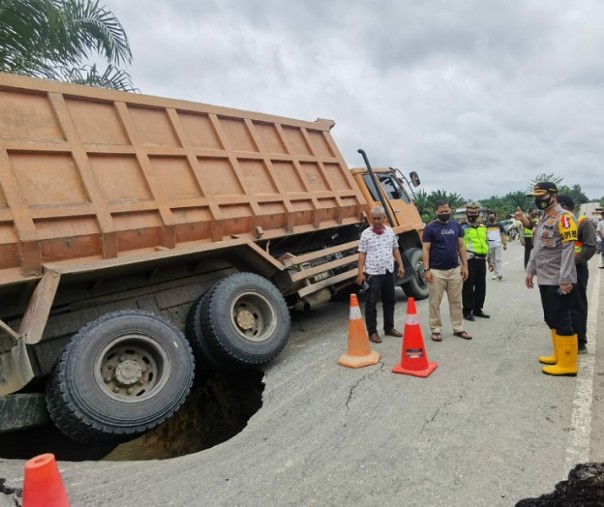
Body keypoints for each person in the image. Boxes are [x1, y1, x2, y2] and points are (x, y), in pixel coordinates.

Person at [524, 182, 577, 376]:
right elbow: (537, 248)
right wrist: (530, 271)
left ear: (553, 196)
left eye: (542, 196)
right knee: (550, 317)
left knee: (562, 318)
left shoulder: (564, 218)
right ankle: (559, 355)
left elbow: (568, 249)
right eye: (536, 197)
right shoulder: (544, 218)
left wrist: (565, 278)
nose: (538, 200)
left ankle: (568, 364)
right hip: (545, 277)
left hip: (558, 278)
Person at [421, 200, 472, 341]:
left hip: (454, 270)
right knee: (434, 302)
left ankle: (458, 328)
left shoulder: (456, 226)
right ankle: (436, 330)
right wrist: (426, 270)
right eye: (441, 211)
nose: (444, 213)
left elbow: (461, 247)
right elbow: (425, 249)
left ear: (451, 210)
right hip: (436, 271)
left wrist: (465, 266)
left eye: (446, 210)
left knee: (456, 301)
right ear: (436, 212)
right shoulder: (430, 228)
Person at [356, 206, 404, 344]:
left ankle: (389, 328)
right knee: (371, 304)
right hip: (373, 274)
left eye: (379, 218)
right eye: (374, 218)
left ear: (384, 219)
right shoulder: (366, 234)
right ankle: (372, 332)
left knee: (390, 301)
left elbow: (395, 249)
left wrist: (400, 265)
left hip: (388, 272)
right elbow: (362, 254)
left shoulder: (390, 232)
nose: (376, 221)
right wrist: (360, 273)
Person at [556, 195, 596, 354]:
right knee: (562, 304)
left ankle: (580, 342)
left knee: (577, 305)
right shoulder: (560, 221)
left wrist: (573, 261)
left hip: (577, 269)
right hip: (561, 270)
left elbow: (590, 247)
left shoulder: (583, 222)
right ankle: (567, 336)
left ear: (564, 206)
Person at [460, 203, 490, 321]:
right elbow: (459, 246)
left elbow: (487, 243)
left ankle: (478, 309)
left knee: (481, 286)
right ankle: (467, 311)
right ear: (467, 213)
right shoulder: (462, 228)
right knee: (468, 287)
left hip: (482, 260)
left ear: (478, 213)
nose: (473, 215)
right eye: (470, 212)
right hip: (469, 260)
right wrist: (462, 264)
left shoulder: (483, 227)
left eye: (475, 212)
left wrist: (491, 261)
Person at [485, 211, 507, 280]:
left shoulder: (499, 225)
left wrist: (504, 244)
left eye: (493, 217)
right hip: (490, 245)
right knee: (492, 260)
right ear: (488, 217)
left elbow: (502, 234)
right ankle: (495, 273)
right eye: (490, 217)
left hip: (497, 244)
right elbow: (484, 235)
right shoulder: (487, 226)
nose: (491, 218)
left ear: (495, 217)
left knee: (498, 258)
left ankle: (499, 273)